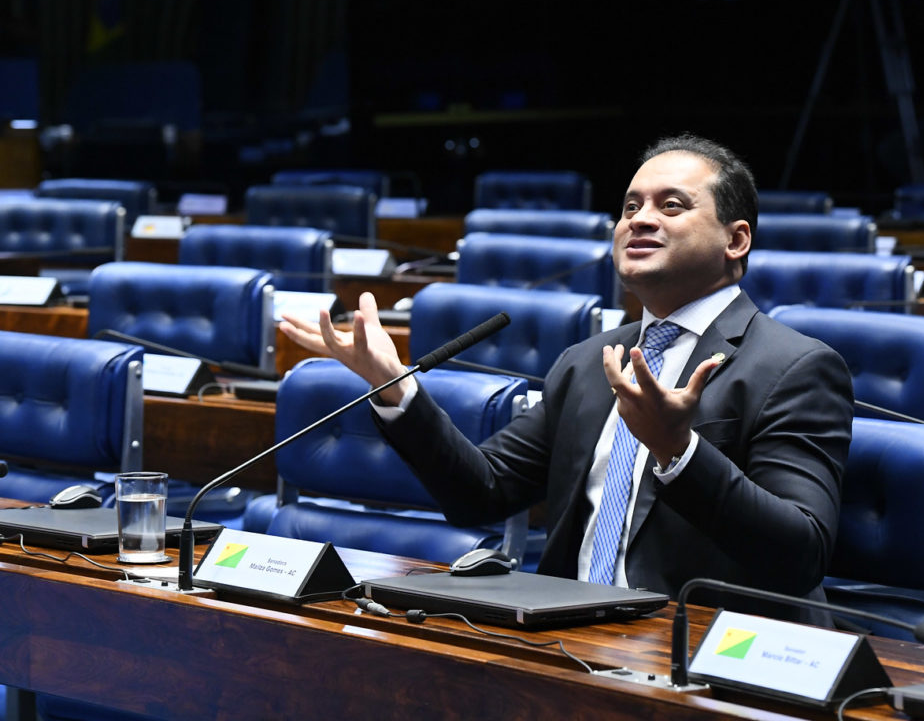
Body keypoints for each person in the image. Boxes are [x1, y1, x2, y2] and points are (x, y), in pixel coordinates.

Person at [280, 134, 853, 621]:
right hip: (568, 630)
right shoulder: (587, 361)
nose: (641, 219)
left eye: (672, 206)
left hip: (693, 647)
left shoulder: (793, 367)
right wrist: (396, 386)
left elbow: (800, 555)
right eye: (630, 208)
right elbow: (481, 493)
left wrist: (678, 451)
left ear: (736, 239)